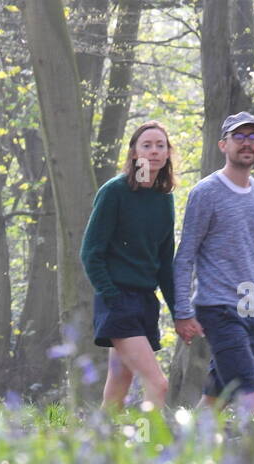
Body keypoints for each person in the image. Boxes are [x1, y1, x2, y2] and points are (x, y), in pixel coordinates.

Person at [80, 120, 186, 412]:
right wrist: (111, 296)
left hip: (145, 302)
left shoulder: (163, 200)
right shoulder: (115, 192)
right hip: (118, 300)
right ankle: (149, 448)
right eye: (147, 145)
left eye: (160, 146)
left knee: (118, 386)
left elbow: (165, 263)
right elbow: (91, 252)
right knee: (158, 383)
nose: (153, 151)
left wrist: (179, 312)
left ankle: (100, 446)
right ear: (134, 153)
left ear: (167, 154)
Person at [172, 112, 254, 413]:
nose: (246, 143)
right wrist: (181, 312)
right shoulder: (206, 193)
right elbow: (185, 255)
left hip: (253, 312)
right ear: (223, 145)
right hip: (219, 310)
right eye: (238, 137)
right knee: (253, 395)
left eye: (252, 137)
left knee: (216, 397)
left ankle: (184, 452)